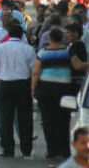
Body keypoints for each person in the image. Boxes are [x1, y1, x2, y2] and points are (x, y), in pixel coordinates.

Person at [0, 24, 36, 158]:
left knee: (6, 117)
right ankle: (26, 149)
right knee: (25, 118)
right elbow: (33, 68)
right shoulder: (28, 49)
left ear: (9, 34)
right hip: (23, 84)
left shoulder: (0, 48)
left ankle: (8, 149)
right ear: (22, 34)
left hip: (6, 84)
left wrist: (2, 73)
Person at [31, 27, 73, 159]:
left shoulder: (43, 53)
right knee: (63, 120)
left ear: (49, 39)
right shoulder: (67, 52)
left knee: (48, 120)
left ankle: (52, 150)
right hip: (64, 89)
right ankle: (65, 150)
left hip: (46, 89)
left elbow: (36, 72)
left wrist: (33, 89)